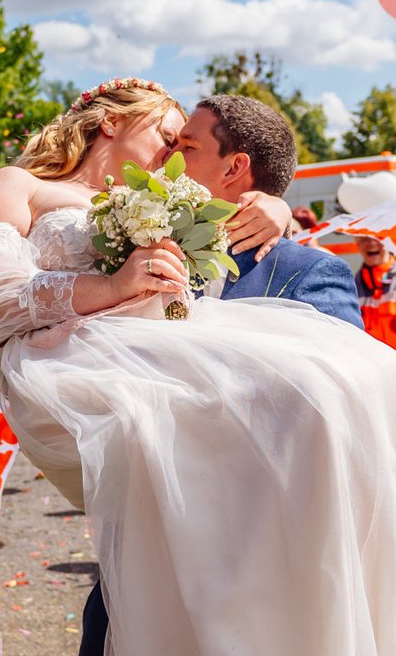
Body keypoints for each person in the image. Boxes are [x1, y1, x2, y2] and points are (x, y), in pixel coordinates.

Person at [0, 78, 396, 655]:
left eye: (183, 145)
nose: (172, 154)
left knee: (348, 383)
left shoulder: (173, 208)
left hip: (196, 426)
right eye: (169, 136)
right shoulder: (21, 186)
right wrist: (112, 284)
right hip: (94, 370)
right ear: (111, 122)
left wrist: (270, 206)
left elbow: (215, 238)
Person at [76, 93, 364, 654]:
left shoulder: (309, 273)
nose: (166, 160)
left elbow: (338, 408)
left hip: (253, 565)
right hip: (140, 554)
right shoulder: (136, 252)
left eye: (186, 147)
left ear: (235, 168)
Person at [354, 235, 396, 352]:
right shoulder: (352, 285)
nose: (371, 243)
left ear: (389, 243)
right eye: (364, 239)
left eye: (377, 238)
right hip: (370, 363)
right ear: (358, 245)